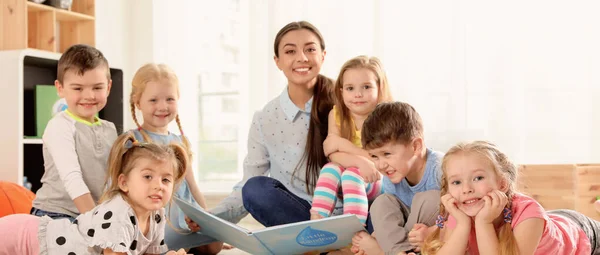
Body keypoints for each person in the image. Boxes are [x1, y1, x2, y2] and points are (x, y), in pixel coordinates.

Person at [210, 20, 336, 227]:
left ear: (323, 55)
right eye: (290, 51)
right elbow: (249, 183)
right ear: (277, 61)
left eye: (310, 49)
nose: (302, 58)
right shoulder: (265, 118)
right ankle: (323, 245)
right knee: (255, 188)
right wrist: (214, 216)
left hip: (347, 210)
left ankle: (325, 245)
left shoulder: (346, 102)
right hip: (300, 217)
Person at [0, 133, 188, 255]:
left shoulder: (156, 216)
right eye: (148, 177)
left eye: (166, 180)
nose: (159, 186)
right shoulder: (119, 213)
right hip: (26, 238)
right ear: (124, 183)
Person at [421, 141, 600, 255]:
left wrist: (484, 223)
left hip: (580, 231)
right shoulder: (461, 213)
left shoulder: (530, 215)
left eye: (478, 178)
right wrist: (463, 224)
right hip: (549, 219)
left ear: (502, 184)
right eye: (457, 182)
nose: (466, 189)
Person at [127, 63, 224, 254]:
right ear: (138, 102)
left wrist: (206, 219)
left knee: (216, 245)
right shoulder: (133, 140)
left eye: (169, 99)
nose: (162, 107)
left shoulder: (180, 141)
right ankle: (175, 248)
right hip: (155, 216)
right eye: (153, 100)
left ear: (178, 100)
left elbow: (192, 184)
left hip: (184, 218)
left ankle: (184, 247)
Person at [31, 44, 118, 221]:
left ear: (108, 87)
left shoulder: (110, 129)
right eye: (78, 88)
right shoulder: (60, 126)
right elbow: (73, 179)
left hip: (92, 213)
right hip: (56, 213)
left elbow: (113, 178)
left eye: (97, 88)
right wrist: (98, 223)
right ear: (60, 88)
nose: (89, 95)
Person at [352, 102, 444, 255]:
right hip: (409, 235)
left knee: (431, 200)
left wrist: (435, 231)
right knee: (381, 203)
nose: (381, 165)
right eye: (374, 156)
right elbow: (393, 220)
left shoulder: (441, 168)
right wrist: (377, 235)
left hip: (437, 233)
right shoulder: (391, 174)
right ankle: (398, 251)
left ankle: (384, 251)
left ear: (415, 147)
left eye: (387, 154)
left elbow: (458, 216)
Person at [310, 55, 392, 226]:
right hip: (349, 178)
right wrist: (358, 160)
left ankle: (353, 229)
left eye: (367, 87)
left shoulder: (385, 117)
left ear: (380, 88)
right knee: (329, 169)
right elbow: (332, 155)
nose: (358, 94)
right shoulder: (337, 114)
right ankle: (317, 222)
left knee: (351, 174)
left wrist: (342, 144)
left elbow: (381, 160)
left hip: (377, 180)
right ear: (341, 91)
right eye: (350, 88)